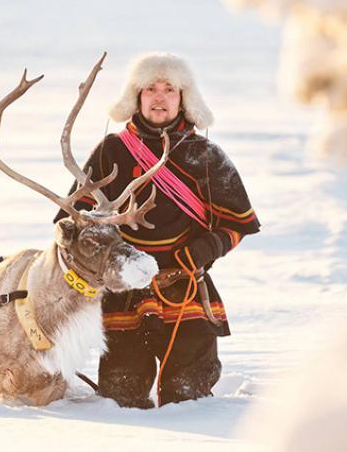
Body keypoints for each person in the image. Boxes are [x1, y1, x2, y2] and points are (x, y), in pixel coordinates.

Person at [54, 52, 260, 408]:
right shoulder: (110, 151)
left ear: (184, 99)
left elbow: (238, 223)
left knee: (190, 401)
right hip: (122, 294)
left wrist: (208, 247)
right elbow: (71, 222)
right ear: (136, 96)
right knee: (121, 399)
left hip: (185, 292)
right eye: (151, 88)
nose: (160, 97)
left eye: (170, 89)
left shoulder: (207, 156)